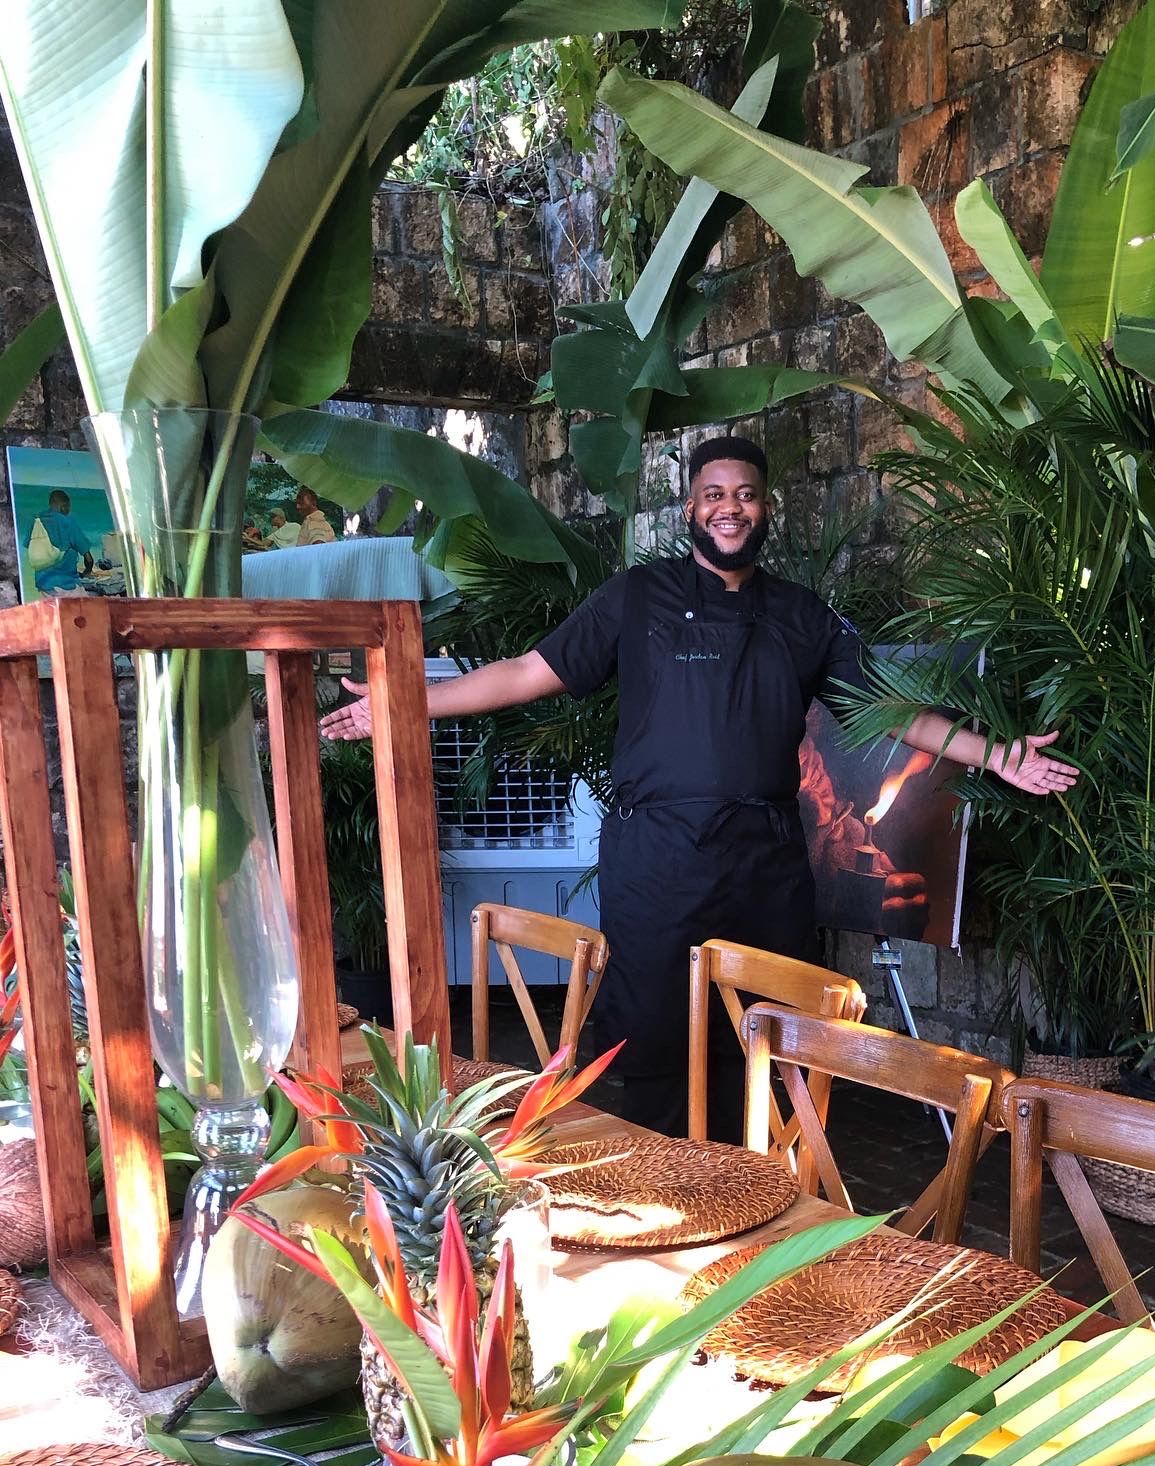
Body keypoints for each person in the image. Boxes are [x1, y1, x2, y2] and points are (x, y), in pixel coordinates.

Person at [320, 435, 1077, 1135]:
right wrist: (402, 701)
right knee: (652, 1026)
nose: (729, 508)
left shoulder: (800, 615)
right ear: (691, 508)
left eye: (745, 494)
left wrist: (996, 756)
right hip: (658, 858)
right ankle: (658, 1187)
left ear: (765, 509)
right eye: (714, 494)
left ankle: (758, 1181)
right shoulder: (636, 597)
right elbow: (525, 673)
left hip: (766, 860)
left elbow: (893, 712)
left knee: (765, 1029)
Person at [32, 489, 94, 594]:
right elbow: (88, 558)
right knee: (87, 608)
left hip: (43, 584)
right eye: (68, 507)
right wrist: (86, 572)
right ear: (64, 506)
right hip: (65, 584)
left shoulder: (37, 521)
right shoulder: (68, 523)